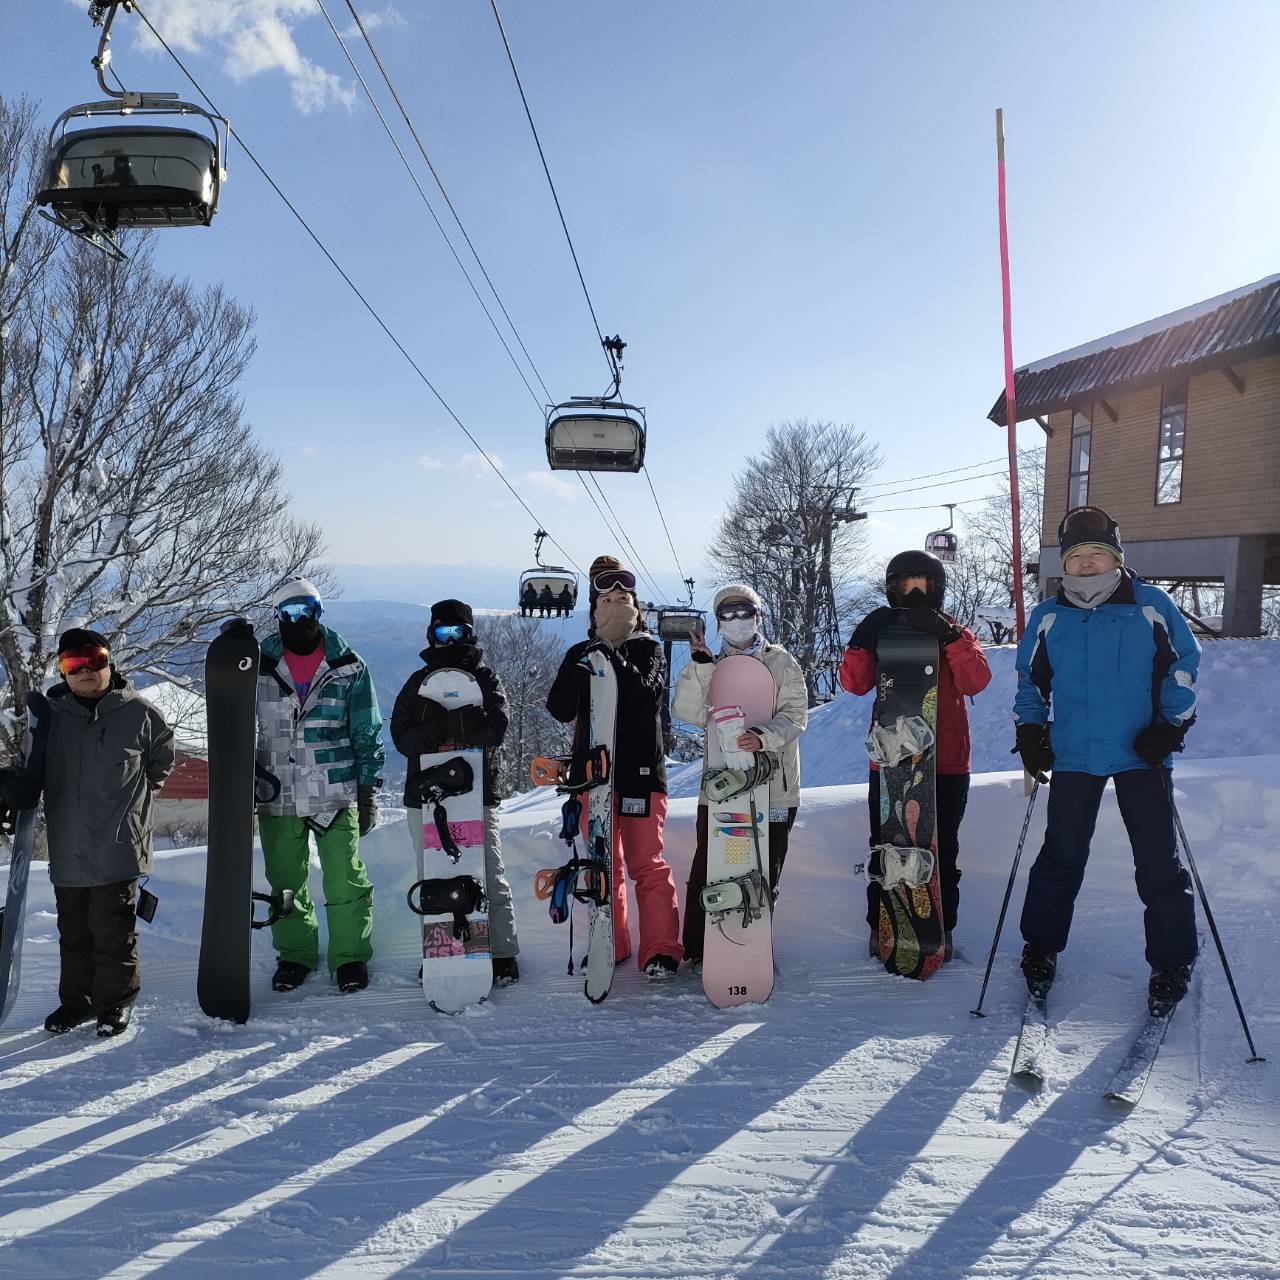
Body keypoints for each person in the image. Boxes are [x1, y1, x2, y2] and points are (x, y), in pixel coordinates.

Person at [1014, 507, 1201, 1016]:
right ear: (1065, 565)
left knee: (1158, 865)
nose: (1088, 565)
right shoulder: (1049, 615)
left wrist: (1171, 725)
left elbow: (1183, 664)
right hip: (1075, 753)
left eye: (1098, 555)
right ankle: (1041, 948)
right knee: (1060, 858)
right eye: (1078, 557)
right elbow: (1030, 680)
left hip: (1143, 754)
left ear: (1116, 558)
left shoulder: (1151, 604)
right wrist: (1029, 729)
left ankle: (1173, 961)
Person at [0, 629, 175, 1036]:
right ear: (63, 672)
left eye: (93, 660)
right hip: (69, 846)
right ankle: (76, 1003)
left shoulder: (140, 713)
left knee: (113, 930)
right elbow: (27, 766)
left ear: (108, 662)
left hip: (117, 844)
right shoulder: (50, 718)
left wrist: (134, 806)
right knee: (73, 931)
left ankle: (115, 1005)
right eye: (72, 665)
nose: (84, 672)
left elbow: (160, 761)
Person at [840, 549, 991, 961]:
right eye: (905, 586)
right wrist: (860, 640)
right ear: (892, 589)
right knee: (888, 846)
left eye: (922, 586)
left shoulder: (955, 632)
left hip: (945, 764)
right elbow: (854, 684)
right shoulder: (884, 634)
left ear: (937, 590)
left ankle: (941, 930)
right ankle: (884, 926)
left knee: (942, 848)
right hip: (891, 763)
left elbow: (976, 680)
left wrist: (949, 637)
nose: (913, 594)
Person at [547, 555, 683, 978]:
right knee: (603, 864)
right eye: (606, 601)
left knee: (647, 863)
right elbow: (559, 708)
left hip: (641, 775)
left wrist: (614, 656)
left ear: (637, 607)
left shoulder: (650, 651)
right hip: (595, 777)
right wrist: (588, 656)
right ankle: (611, 942)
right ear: (593, 609)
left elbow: (645, 699)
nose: (616, 607)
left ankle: (661, 948)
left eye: (624, 600)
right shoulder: (580, 653)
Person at [255, 578, 385, 995]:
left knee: (344, 877)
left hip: (335, 788)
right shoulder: (257, 664)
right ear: (277, 618)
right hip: (276, 790)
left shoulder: (348, 665)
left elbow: (366, 730)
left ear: (318, 612)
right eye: (289, 613)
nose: (299, 620)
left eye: (307, 610)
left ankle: (349, 958)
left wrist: (368, 792)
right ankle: (295, 954)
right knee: (286, 880)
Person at [673, 584, 807, 971]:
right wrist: (700, 668)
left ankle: (754, 947)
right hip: (721, 788)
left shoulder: (781, 663)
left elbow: (796, 714)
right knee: (712, 867)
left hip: (775, 789)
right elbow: (689, 713)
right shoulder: (710, 663)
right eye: (727, 614)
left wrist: (763, 737)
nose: (736, 621)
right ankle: (701, 949)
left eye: (743, 611)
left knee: (765, 871)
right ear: (718, 622)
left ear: (758, 615)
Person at [390, 599, 520, 985]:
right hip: (426, 796)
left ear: (470, 634)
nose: (449, 641)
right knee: (434, 874)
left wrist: (445, 722)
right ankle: (440, 951)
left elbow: (496, 727)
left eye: (457, 633)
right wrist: (447, 726)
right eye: (442, 633)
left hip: (478, 794)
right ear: (431, 634)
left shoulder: (485, 679)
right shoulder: (418, 683)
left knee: (490, 874)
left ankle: (502, 952)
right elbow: (401, 736)